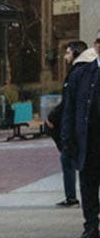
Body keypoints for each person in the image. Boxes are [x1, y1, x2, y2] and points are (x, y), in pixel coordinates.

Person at [62, 27, 100, 238]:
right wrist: (68, 140)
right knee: (88, 187)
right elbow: (69, 109)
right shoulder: (81, 74)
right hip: (89, 140)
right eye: (99, 41)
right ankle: (91, 225)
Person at [47, 41, 87, 208]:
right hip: (76, 124)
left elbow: (68, 102)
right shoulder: (84, 71)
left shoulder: (77, 73)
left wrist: (52, 117)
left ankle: (71, 197)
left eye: (68, 53)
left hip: (74, 126)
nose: (65, 57)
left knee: (67, 158)